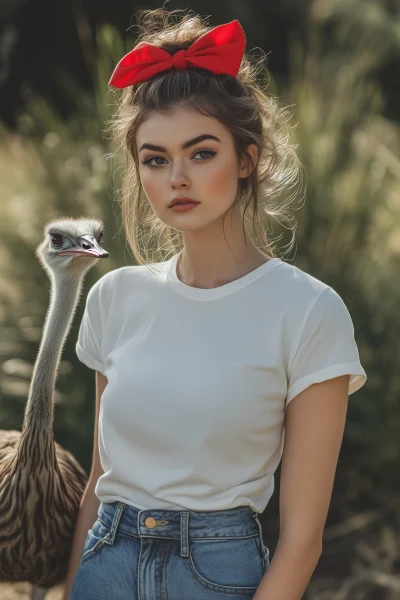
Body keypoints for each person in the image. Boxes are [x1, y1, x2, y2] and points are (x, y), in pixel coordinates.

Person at [63, 8, 367, 600]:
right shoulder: (113, 298)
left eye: (201, 153)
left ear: (246, 160)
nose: (178, 177)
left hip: (216, 574)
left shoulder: (308, 312)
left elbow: (302, 541)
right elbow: (99, 480)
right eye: (155, 159)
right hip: (105, 563)